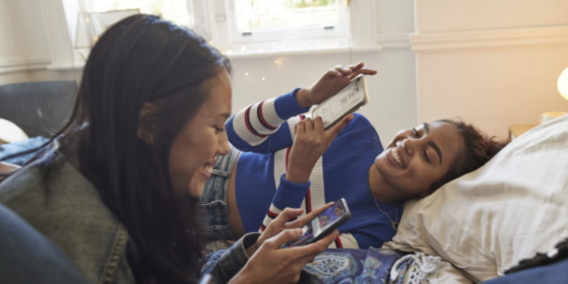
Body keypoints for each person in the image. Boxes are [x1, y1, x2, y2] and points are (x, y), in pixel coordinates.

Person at [0, 14, 341, 284]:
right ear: (149, 124)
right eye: (215, 127)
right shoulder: (86, 239)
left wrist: (251, 251)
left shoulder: (112, 169)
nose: (225, 147)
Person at [202, 63, 509, 250]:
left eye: (427, 155)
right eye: (417, 132)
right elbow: (234, 134)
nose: (408, 144)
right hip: (211, 164)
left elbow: (274, 248)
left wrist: (297, 176)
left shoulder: (375, 227)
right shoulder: (353, 128)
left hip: (214, 227)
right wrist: (306, 98)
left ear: (433, 189)